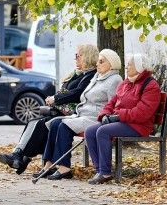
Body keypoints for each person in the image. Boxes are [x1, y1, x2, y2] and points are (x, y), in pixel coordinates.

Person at [0, 44, 99, 174]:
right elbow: (68, 91)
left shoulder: (91, 75)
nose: (75, 58)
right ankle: (19, 156)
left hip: (74, 113)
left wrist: (55, 99)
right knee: (34, 122)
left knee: (42, 124)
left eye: (77, 55)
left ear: (86, 57)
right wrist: (55, 98)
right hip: (63, 110)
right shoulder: (79, 74)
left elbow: (78, 93)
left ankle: (22, 158)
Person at [33, 49, 123, 180]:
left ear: (111, 64)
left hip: (95, 117)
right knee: (55, 123)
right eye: (98, 61)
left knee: (64, 126)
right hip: (83, 114)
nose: (97, 64)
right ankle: (50, 164)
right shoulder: (98, 76)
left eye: (101, 61)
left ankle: (64, 168)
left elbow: (113, 104)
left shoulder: (114, 79)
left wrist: (105, 117)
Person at [84, 53, 161, 184]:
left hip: (139, 125)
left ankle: (105, 173)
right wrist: (105, 115)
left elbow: (142, 113)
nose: (126, 68)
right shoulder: (126, 83)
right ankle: (100, 169)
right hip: (122, 121)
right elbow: (112, 102)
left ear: (139, 66)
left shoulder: (150, 85)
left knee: (103, 132)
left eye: (129, 65)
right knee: (90, 131)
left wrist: (118, 116)